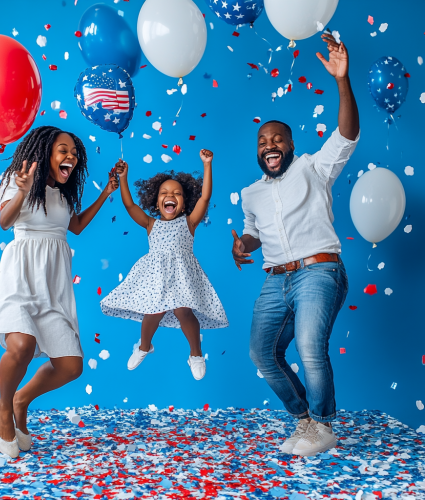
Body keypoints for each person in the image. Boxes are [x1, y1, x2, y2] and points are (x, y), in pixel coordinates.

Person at [231, 34, 360, 457]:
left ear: (291, 145)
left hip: (320, 271)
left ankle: (323, 426)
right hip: (274, 280)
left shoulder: (313, 168)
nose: (270, 145)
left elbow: (346, 134)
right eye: (263, 142)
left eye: (277, 139)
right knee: (261, 353)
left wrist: (342, 80)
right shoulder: (251, 193)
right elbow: (254, 233)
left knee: (309, 346)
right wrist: (242, 246)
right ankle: (305, 419)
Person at [0, 126, 118, 458]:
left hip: (52, 287)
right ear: (45, 152)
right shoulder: (17, 181)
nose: (71, 156)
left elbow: (75, 226)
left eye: (74, 152)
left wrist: (106, 192)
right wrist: (22, 190)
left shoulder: (62, 194)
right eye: (63, 150)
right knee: (22, 345)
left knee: (71, 366)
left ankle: (19, 399)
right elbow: (4, 221)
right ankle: (2, 409)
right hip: (18, 278)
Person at [100, 150, 228, 380]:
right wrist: (123, 178)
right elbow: (130, 206)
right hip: (155, 277)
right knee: (153, 312)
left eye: (177, 193)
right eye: (165, 193)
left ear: (185, 202)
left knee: (183, 311)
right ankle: (144, 346)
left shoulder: (189, 222)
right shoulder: (151, 224)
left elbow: (205, 198)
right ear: (156, 201)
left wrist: (207, 165)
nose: (171, 196)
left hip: (182, 276)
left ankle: (196, 354)